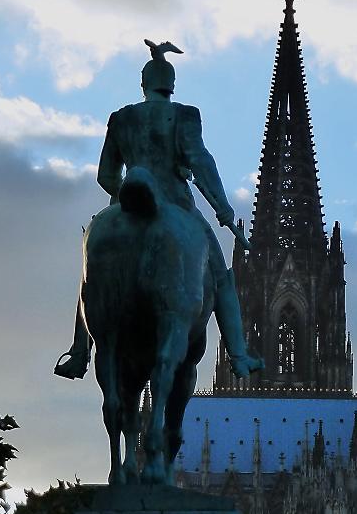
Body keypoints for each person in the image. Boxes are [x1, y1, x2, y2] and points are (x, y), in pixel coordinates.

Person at [54, 40, 263, 380]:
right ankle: (239, 355)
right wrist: (223, 210)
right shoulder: (185, 115)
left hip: (125, 207)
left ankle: (79, 353)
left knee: (90, 277)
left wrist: (127, 198)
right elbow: (201, 162)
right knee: (222, 277)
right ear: (171, 85)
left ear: (144, 84)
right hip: (177, 204)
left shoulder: (121, 119)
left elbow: (106, 175)